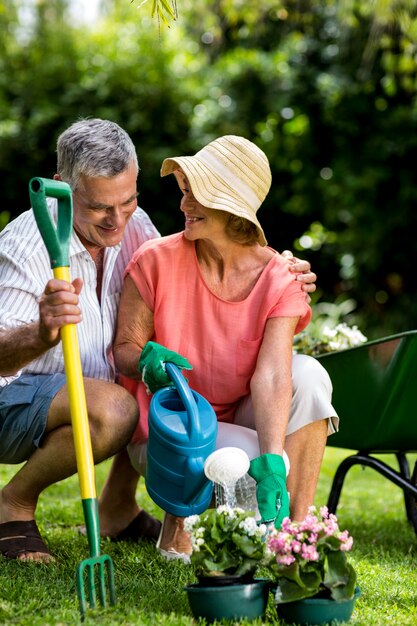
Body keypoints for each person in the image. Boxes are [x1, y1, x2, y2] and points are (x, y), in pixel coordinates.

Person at [0, 119, 316, 563]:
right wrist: (41, 332)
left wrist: (277, 270)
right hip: (13, 400)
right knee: (116, 406)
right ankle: (13, 504)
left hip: (93, 392)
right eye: (97, 208)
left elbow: (174, 276)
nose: (116, 221)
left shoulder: (136, 227)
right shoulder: (28, 246)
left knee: (136, 383)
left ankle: (116, 507)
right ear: (60, 188)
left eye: (127, 201)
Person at [110, 134, 339, 562]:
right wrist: (145, 362)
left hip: (242, 414)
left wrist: (273, 461)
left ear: (232, 206)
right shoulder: (154, 260)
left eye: (197, 195)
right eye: (184, 192)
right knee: (239, 460)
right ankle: (179, 525)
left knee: (310, 377)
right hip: (170, 427)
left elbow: (273, 373)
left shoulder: (279, 276)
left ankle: (292, 535)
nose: (183, 206)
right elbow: (123, 347)